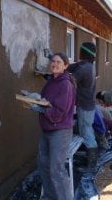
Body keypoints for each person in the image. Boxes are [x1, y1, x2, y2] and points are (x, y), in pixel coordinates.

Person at [29, 53, 76, 200]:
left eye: (58, 62)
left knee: (57, 170)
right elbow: (47, 101)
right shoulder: (51, 82)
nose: (54, 64)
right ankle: (49, 196)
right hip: (47, 130)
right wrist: (35, 99)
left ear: (65, 66)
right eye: (53, 61)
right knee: (44, 166)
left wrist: (41, 109)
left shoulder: (65, 84)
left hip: (60, 132)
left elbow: (59, 113)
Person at [67, 42, 98, 170]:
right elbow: (74, 66)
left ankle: (92, 163)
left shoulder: (84, 69)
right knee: (87, 130)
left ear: (83, 52)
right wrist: (56, 59)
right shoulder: (89, 66)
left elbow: (70, 81)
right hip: (88, 104)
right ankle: (91, 158)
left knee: (86, 133)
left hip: (85, 106)